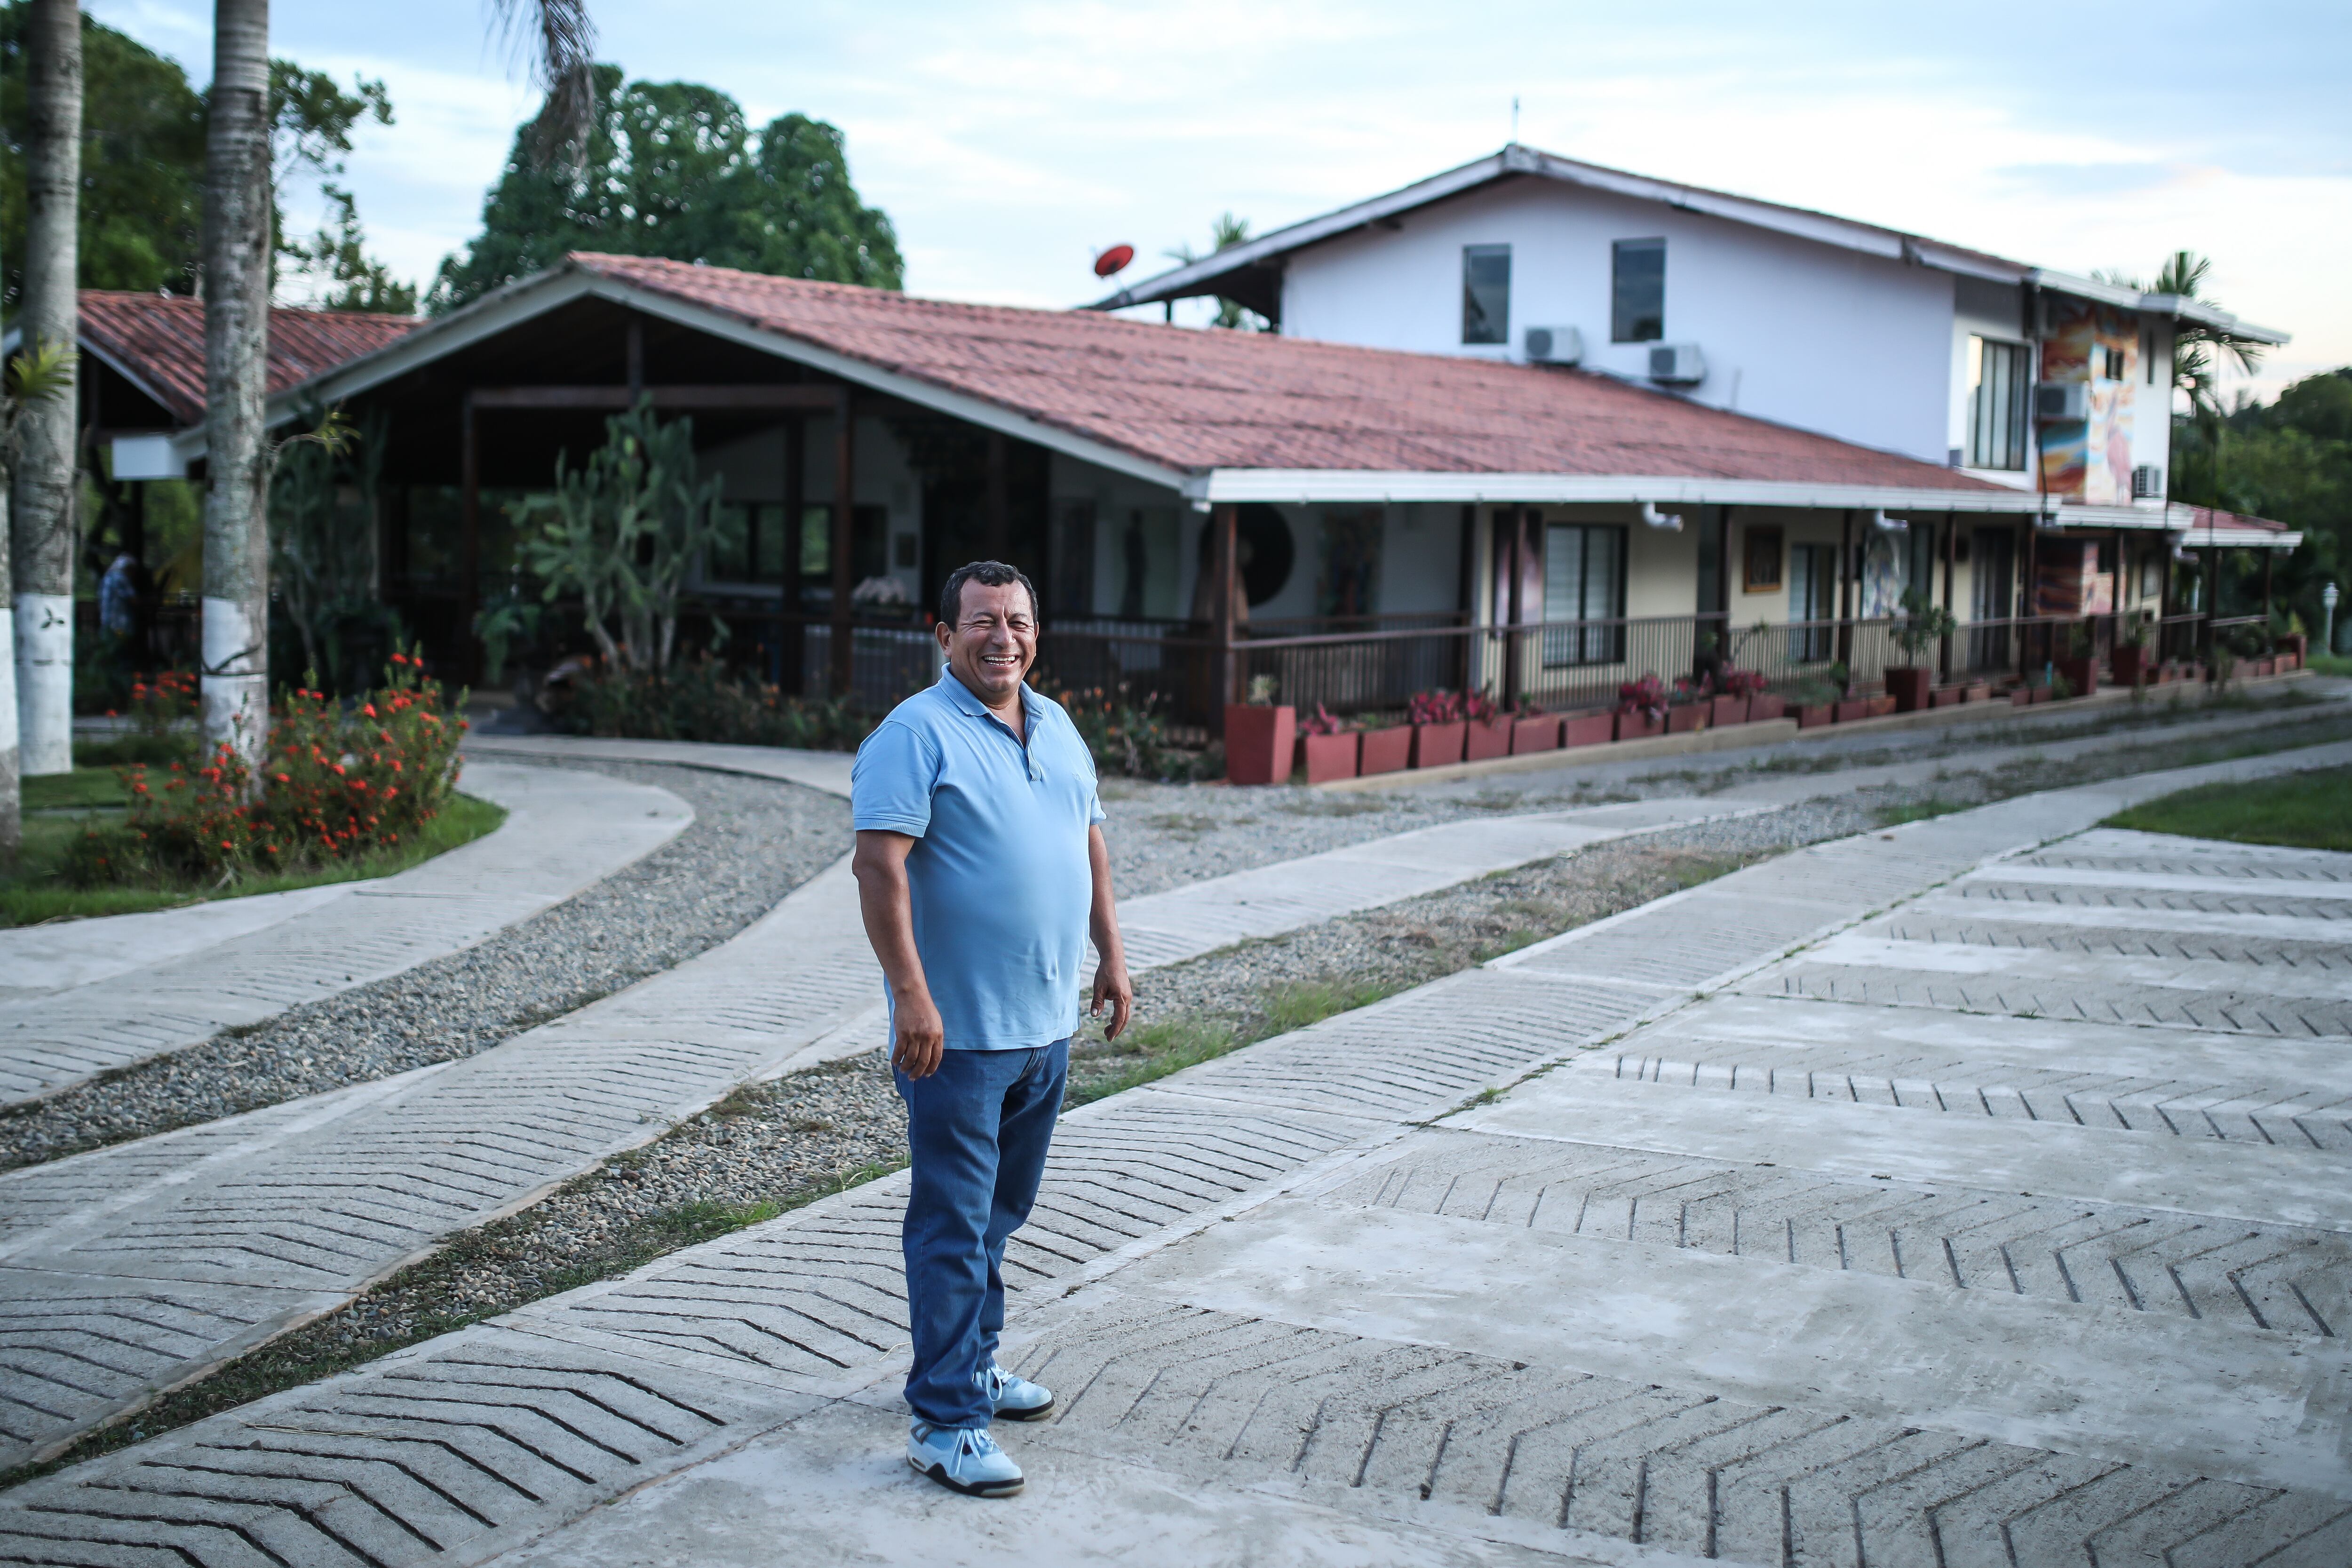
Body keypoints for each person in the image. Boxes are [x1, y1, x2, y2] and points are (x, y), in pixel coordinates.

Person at [850, 559, 1134, 1499]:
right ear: (943, 635)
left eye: (1014, 620)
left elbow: (1087, 839)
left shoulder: (1056, 723)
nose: (999, 636)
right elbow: (879, 870)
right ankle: (944, 1419)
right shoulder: (913, 734)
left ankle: (971, 1363)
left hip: (1044, 1026)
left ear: (1034, 633)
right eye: (979, 621)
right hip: (958, 1034)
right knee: (952, 1224)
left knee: (997, 1218)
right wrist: (911, 995)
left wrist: (1114, 956)